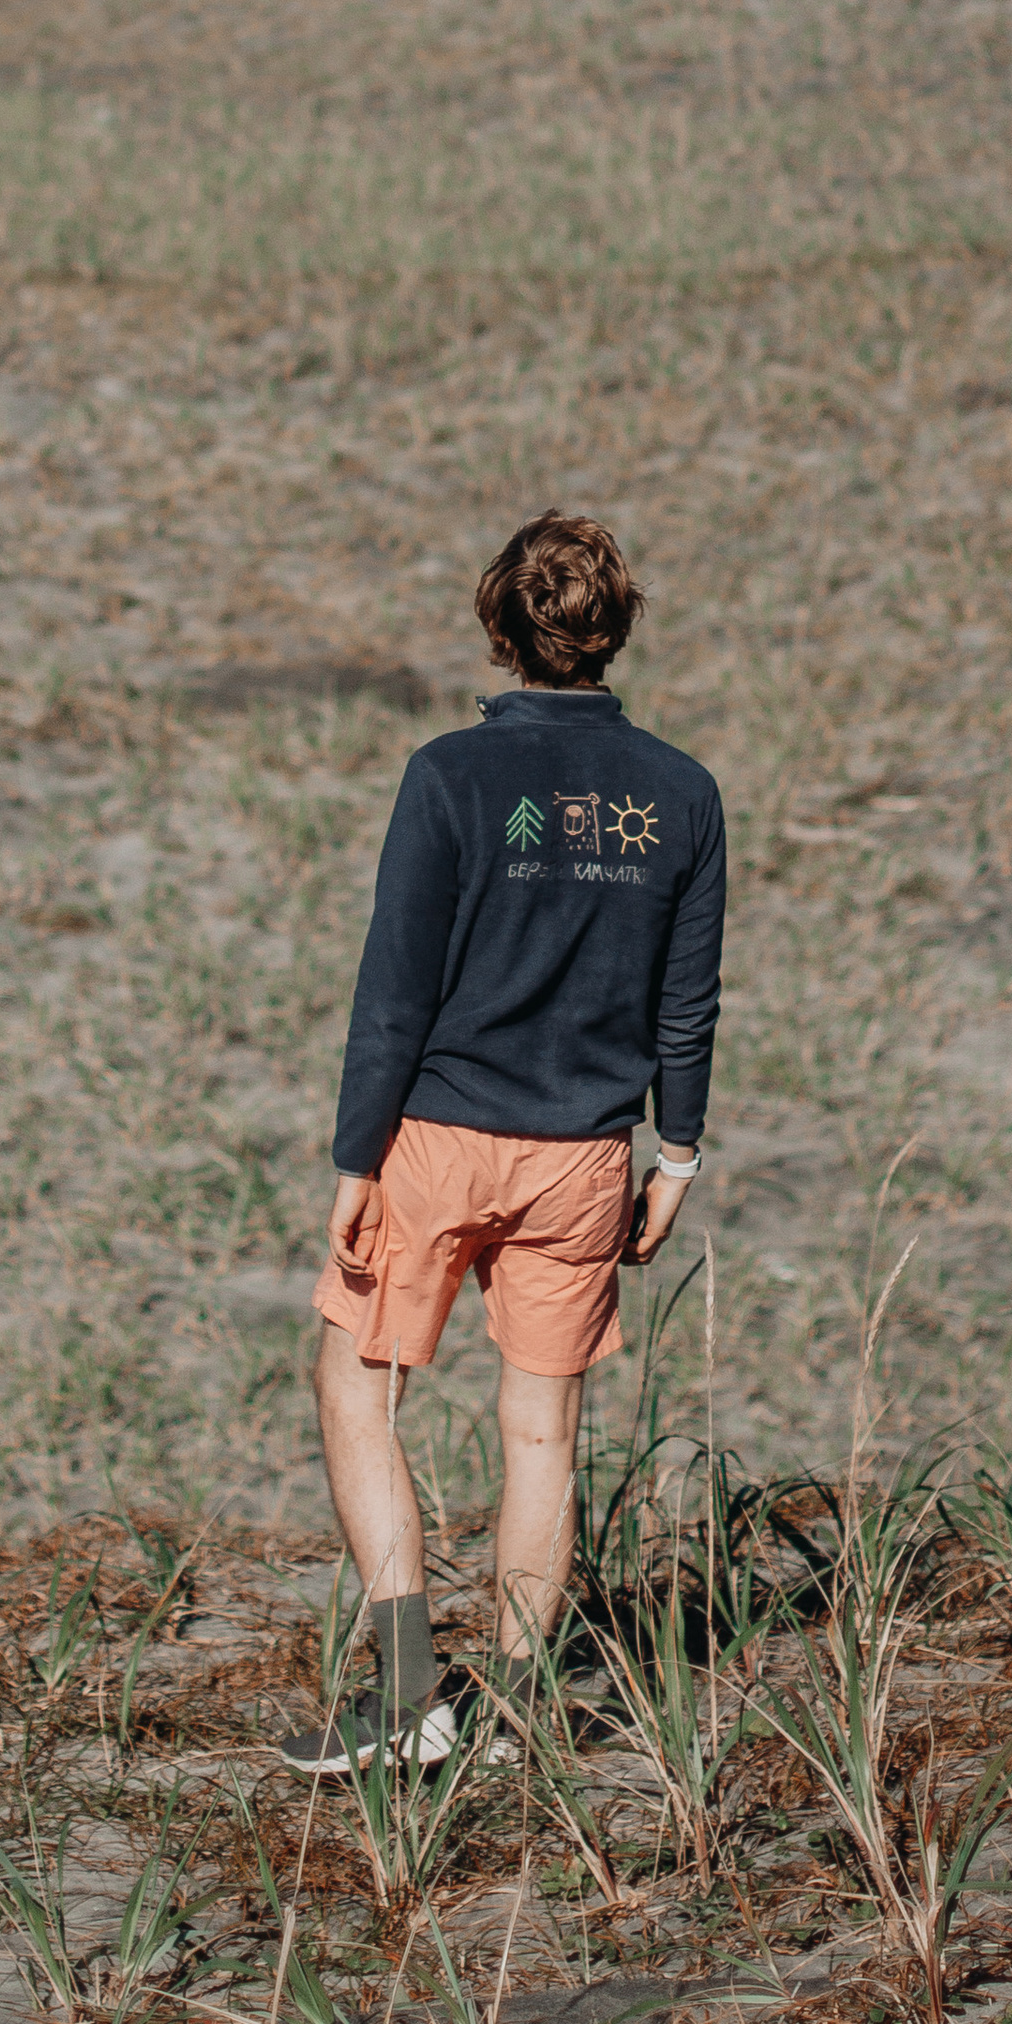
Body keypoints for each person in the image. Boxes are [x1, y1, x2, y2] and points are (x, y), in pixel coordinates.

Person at [280, 510, 725, 1775]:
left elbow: (394, 988)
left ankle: (412, 1692)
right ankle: (518, 1713)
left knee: (356, 1387)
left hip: (432, 1140)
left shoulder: (447, 778)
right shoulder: (682, 796)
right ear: (615, 628)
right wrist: (675, 1155)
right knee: (543, 1429)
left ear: (500, 626)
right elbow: (685, 1001)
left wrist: (356, 1156)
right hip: (584, 1154)